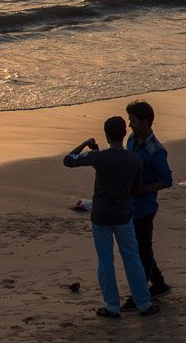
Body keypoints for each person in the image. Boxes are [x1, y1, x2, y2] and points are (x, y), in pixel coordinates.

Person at [63, 116, 159, 317]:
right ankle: (143, 303)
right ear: (125, 134)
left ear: (106, 135)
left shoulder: (100, 158)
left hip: (101, 216)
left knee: (105, 260)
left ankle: (112, 306)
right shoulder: (134, 160)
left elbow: (69, 161)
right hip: (123, 214)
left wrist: (85, 144)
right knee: (132, 258)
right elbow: (135, 189)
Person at [120, 101, 173, 311]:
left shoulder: (156, 151)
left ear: (144, 122)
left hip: (145, 208)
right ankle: (158, 284)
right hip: (131, 205)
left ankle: (139, 293)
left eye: (132, 121)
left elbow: (167, 180)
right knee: (141, 249)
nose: (129, 125)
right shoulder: (132, 139)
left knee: (141, 250)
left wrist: (142, 189)